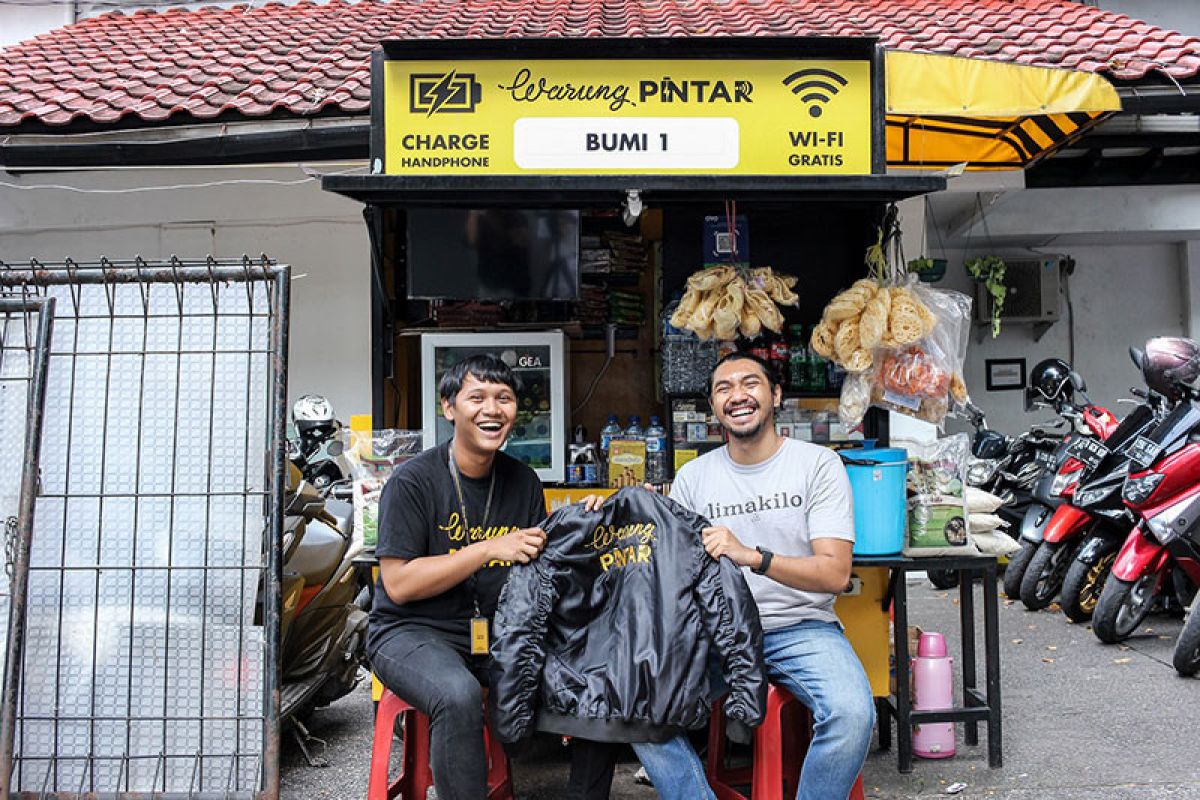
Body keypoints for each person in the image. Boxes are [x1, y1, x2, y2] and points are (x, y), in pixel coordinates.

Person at [367, 353, 616, 800]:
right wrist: (485, 550)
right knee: (458, 694)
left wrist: (583, 523)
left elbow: (541, 568)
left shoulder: (522, 481)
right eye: (476, 397)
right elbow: (399, 584)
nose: (492, 409)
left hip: (498, 633)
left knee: (594, 674)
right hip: (411, 633)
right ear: (449, 408)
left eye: (504, 398)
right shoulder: (412, 482)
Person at [629, 351, 875, 800]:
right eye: (723, 389)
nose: (737, 396)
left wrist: (752, 556)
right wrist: (647, 517)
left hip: (800, 627)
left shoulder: (818, 465)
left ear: (776, 395)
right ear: (712, 407)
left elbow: (835, 574)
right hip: (717, 633)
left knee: (852, 714)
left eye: (750, 384)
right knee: (638, 703)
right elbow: (677, 571)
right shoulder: (693, 476)